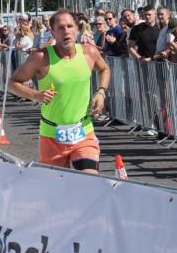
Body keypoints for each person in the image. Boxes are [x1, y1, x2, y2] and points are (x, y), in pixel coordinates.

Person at [7, 9, 111, 174]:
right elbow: (12, 83)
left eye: (70, 26)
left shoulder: (89, 52)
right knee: (57, 192)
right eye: (61, 28)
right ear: (53, 32)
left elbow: (104, 70)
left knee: (90, 179)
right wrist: (36, 95)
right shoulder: (41, 58)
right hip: (51, 134)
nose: (66, 31)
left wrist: (101, 92)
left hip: (83, 131)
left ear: (77, 29)